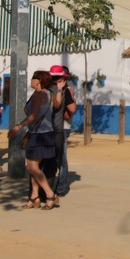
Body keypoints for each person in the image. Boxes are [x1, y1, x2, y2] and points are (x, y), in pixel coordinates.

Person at [7, 70, 59, 210]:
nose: (31, 80)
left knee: (32, 167)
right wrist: (59, 91)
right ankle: (34, 197)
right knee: (33, 166)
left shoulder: (39, 95)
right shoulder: (49, 94)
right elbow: (57, 106)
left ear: (39, 80)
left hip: (38, 134)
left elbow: (32, 116)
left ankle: (50, 195)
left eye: (33, 78)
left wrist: (17, 127)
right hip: (47, 133)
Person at [54, 65, 77, 197]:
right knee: (58, 158)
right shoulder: (60, 90)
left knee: (61, 158)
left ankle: (61, 186)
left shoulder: (67, 91)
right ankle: (58, 185)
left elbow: (72, 109)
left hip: (63, 126)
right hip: (59, 126)